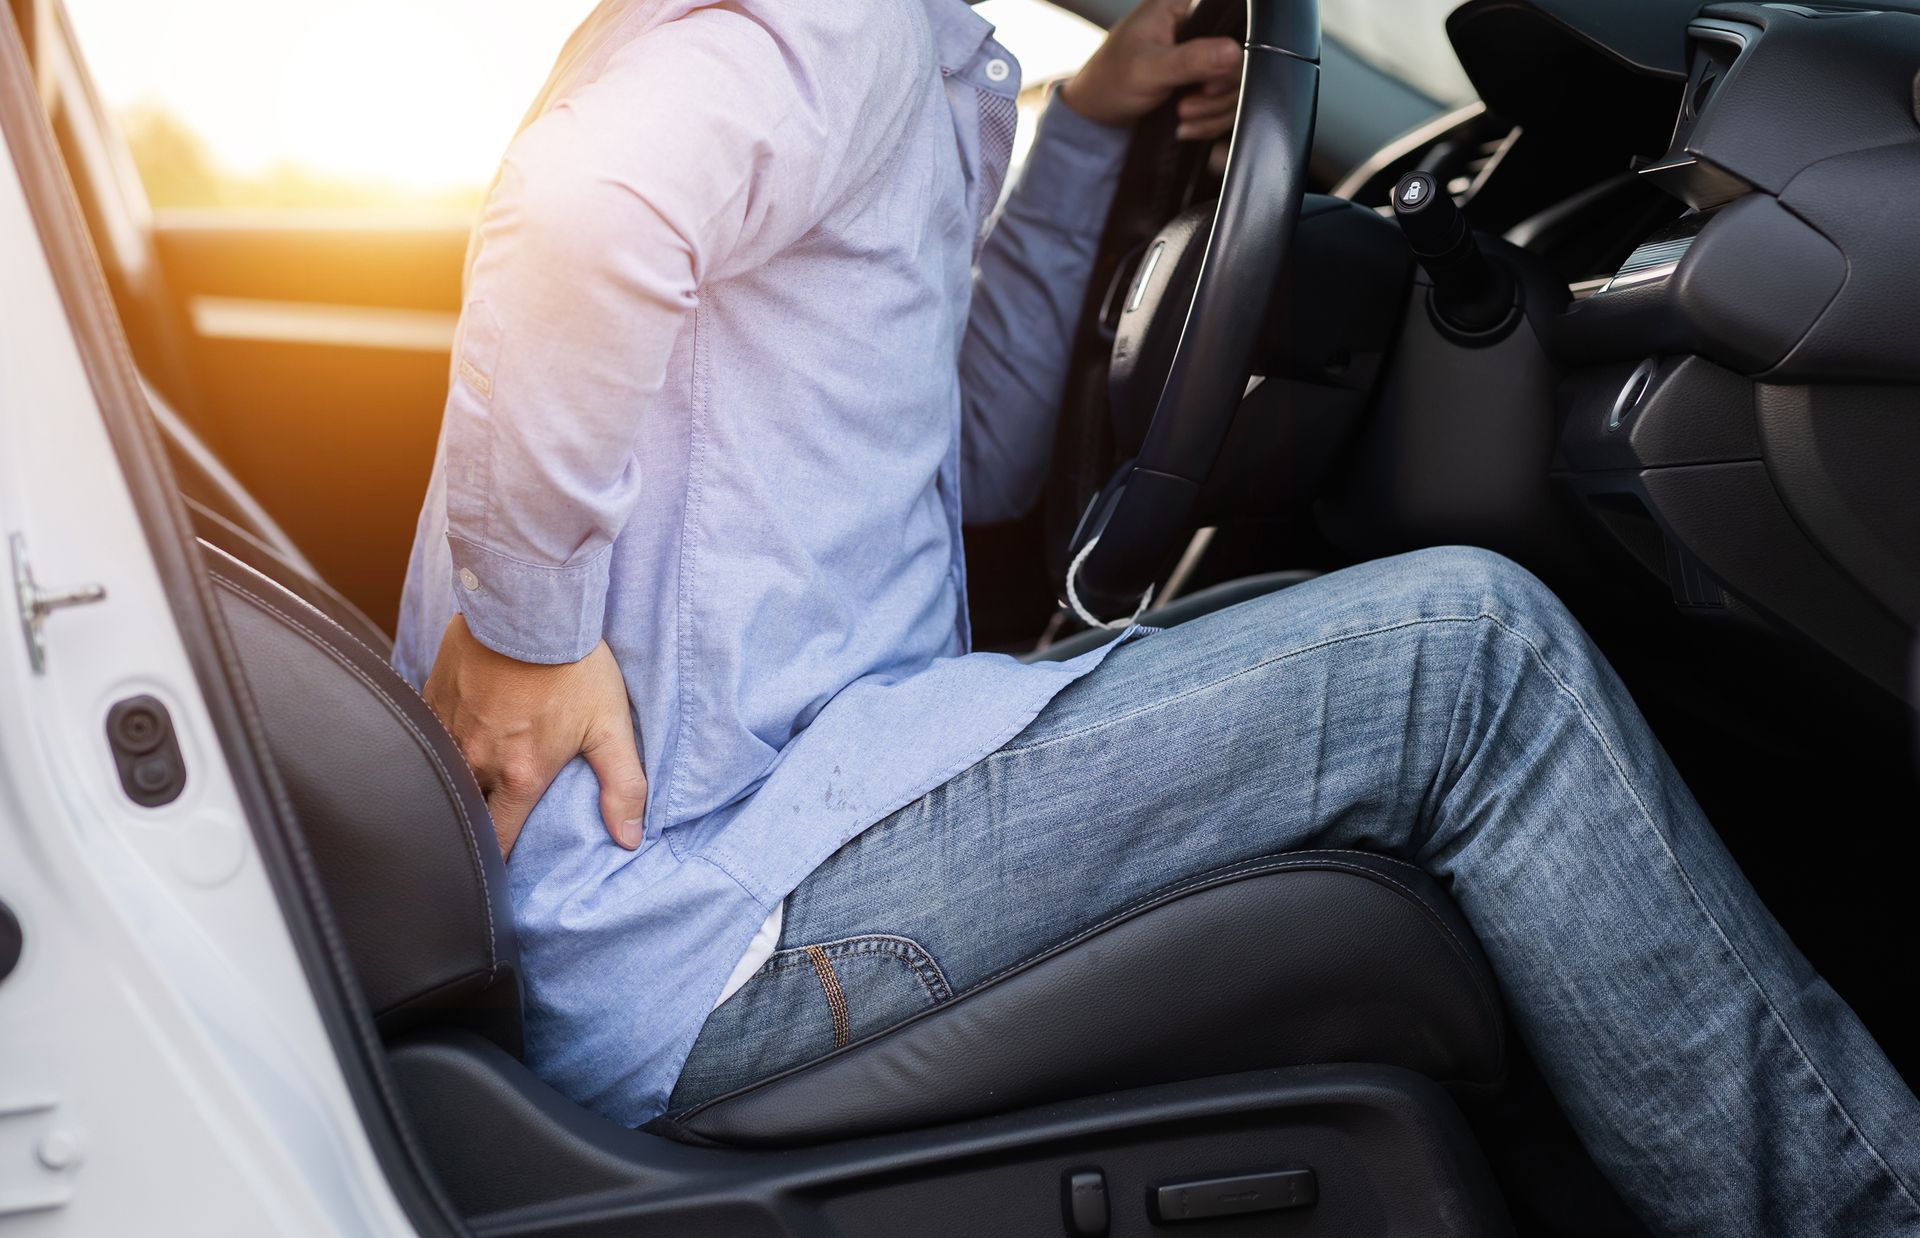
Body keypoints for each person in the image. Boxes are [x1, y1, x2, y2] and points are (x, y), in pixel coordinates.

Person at [393, 0, 1920, 1232]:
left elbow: (975, 441)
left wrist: (1087, 128)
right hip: (715, 917)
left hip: (765, 836)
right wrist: (531, 625)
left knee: (1309, 630)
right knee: (1474, 660)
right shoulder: (829, 27)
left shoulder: (907, 51)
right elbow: (579, 212)